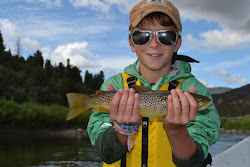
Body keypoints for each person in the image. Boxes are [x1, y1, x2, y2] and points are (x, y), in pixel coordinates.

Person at [87, 0, 220, 166]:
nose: (154, 44)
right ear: (131, 43)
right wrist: (123, 128)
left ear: (177, 43)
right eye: (142, 36)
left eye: (166, 36)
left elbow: (192, 162)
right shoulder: (114, 85)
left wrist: (177, 130)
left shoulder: (194, 89)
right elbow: (106, 154)